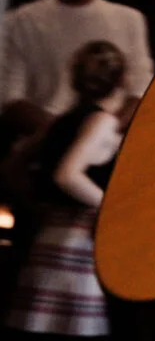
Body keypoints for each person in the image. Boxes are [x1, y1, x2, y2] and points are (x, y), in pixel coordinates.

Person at [5, 42, 129, 339]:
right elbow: (68, 175)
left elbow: (13, 165)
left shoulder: (61, 121)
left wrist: (34, 205)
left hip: (49, 239)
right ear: (121, 80)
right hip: (77, 245)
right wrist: (111, 209)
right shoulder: (101, 122)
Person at [0, 0, 154, 141]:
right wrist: (66, 134)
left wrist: (102, 133)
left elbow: (140, 89)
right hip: (45, 145)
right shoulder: (20, 22)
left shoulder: (129, 19)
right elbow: (10, 97)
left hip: (109, 146)